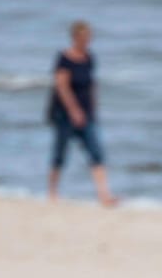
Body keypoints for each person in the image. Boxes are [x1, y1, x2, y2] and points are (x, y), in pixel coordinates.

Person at [47, 20, 118, 207]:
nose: (87, 40)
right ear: (75, 37)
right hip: (64, 114)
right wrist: (73, 110)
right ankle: (52, 193)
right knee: (60, 154)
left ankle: (104, 195)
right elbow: (61, 86)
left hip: (87, 114)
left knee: (96, 153)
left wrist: (93, 109)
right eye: (84, 37)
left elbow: (92, 85)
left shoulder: (90, 58)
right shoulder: (64, 58)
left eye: (89, 37)